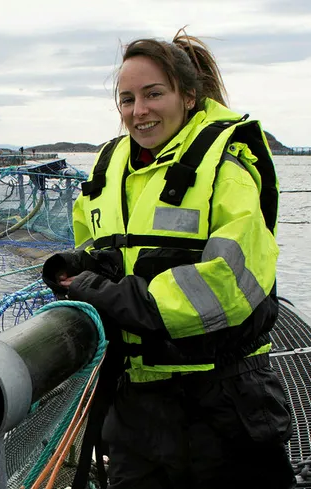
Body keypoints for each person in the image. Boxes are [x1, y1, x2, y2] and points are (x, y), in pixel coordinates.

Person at [42, 30, 294, 489]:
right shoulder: (110, 166)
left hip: (223, 405)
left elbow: (231, 285)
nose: (139, 111)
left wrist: (112, 295)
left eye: (153, 94)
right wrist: (78, 268)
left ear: (189, 95)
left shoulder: (227, 166)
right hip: (137, 404)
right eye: (127, 99)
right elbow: (100, 248)